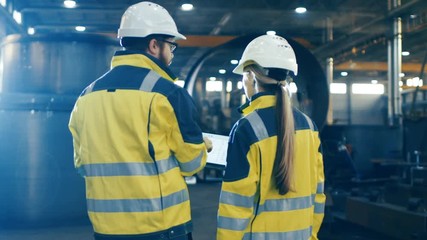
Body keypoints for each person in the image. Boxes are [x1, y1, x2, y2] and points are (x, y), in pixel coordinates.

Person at [68, 2, 212, 239]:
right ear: (154, 45)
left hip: (106, 229)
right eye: (171, 46)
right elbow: (192, 164)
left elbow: (82, 165)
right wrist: (203, 146)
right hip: (162, 227)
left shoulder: (86, 97)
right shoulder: (167, 94)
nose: (172, 54)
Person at [216, 34, 326, 240]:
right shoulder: (310, 128)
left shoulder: (246, 128)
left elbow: (235, 206)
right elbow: (318, 195)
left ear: (249, 76)